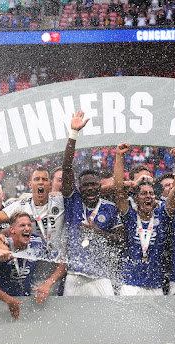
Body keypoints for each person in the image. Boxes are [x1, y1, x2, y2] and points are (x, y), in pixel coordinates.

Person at [60, 111, 125, 296]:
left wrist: (99, 233)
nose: (90, 188)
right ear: (79, 187)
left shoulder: (110, 208)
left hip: (101, 276)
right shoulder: (72, 201)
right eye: (85, 185)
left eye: (94, 185)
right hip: (74, 275)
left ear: (99, 187)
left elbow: (121, 240)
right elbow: (66, 167)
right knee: (70, 322)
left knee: (109, 321)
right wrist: (74, 134)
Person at [0, 166, 67, 299]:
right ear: (30, 184)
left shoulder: (60, 202)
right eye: (37, 179)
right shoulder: (22, 205)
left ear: (50, 184)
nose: (41, 182)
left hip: (58, 270)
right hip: (33, 273)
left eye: (44, 179)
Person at [114, 143, 175, 295]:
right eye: (143, 194)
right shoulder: (130, 216)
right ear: (136, 198)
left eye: (151, 194)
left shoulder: (162, 215)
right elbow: (119, 189)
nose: (148, 196)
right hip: (130, 285)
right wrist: (119, 156)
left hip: (155, 285)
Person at [0, 212, 50, 319]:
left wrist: (48, 283)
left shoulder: (37, 244)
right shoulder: (2, 247)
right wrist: (8, 299)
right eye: (22, 225)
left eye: (29, 225)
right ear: (12, 230)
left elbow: (62, 261)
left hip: (21, 302)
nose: (27, 228)